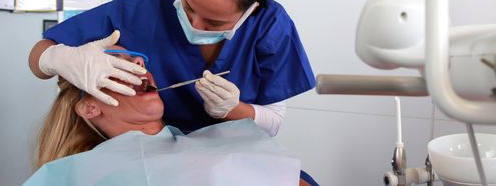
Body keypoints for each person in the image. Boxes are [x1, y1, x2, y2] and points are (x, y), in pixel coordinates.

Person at [28, 0, 315, 136]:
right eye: (189, 8)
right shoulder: (142, 7)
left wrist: (232, 109)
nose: (195, 25)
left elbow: (274, 121)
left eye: (214, 23)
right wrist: (59, 58)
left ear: (251, 10)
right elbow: (38, 58)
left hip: (234, 157)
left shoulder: (270, 25)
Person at [27, 47, 314, 186]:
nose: (139, 63)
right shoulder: (74, 175)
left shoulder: (207, 144)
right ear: (90, 107)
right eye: (117, 65)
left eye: (135, 59)